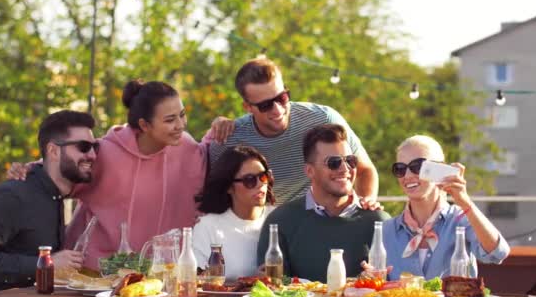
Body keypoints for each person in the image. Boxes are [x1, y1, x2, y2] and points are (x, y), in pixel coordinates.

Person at [7, 80, 208, 270]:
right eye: (170, 120)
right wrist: (29, 169)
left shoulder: (187, 148)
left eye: (182, 115)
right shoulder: (106, 153)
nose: (181, 125)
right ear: (145, 125)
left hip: (154, 276)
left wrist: (221, 126)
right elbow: (59, 170)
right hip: (89, 272)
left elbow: (215, 163)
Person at [207, 58, 379, 206]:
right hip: (260, 230)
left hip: (324, 220)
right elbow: (209, 192)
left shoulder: (323, 120)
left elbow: (365, 170)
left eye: (282, 98)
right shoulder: (229, 139)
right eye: (265, 105)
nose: (277, 110)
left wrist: (363, 209)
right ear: (248, 107)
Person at [256, 124, 389, 282]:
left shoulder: (379, 221)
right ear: (310, 171)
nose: (345, 169)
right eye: (334, 162)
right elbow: (273, 287)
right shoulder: (280, 221)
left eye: (350, 161)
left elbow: (394, 287)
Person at [0, 110, 95, 290]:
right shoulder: (13, 196)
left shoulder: (54, 197)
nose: (92, 155)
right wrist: (46, 263)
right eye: (83, 147)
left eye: (95, 147)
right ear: (53, 150)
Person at [382, 135, 510, 280]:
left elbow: (497, 253)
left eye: (418, 167)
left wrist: (465, 202)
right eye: (400, 169)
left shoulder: (461, 219)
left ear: (441, 169)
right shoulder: (387, 230)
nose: (408, 175)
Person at [193, 146, 276, 279]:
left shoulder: (280, 219)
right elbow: (198, 281)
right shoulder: (207, 226)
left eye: (263, 176)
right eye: (249, 180)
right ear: (229, 187)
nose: (260, 184)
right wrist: (251, 281)